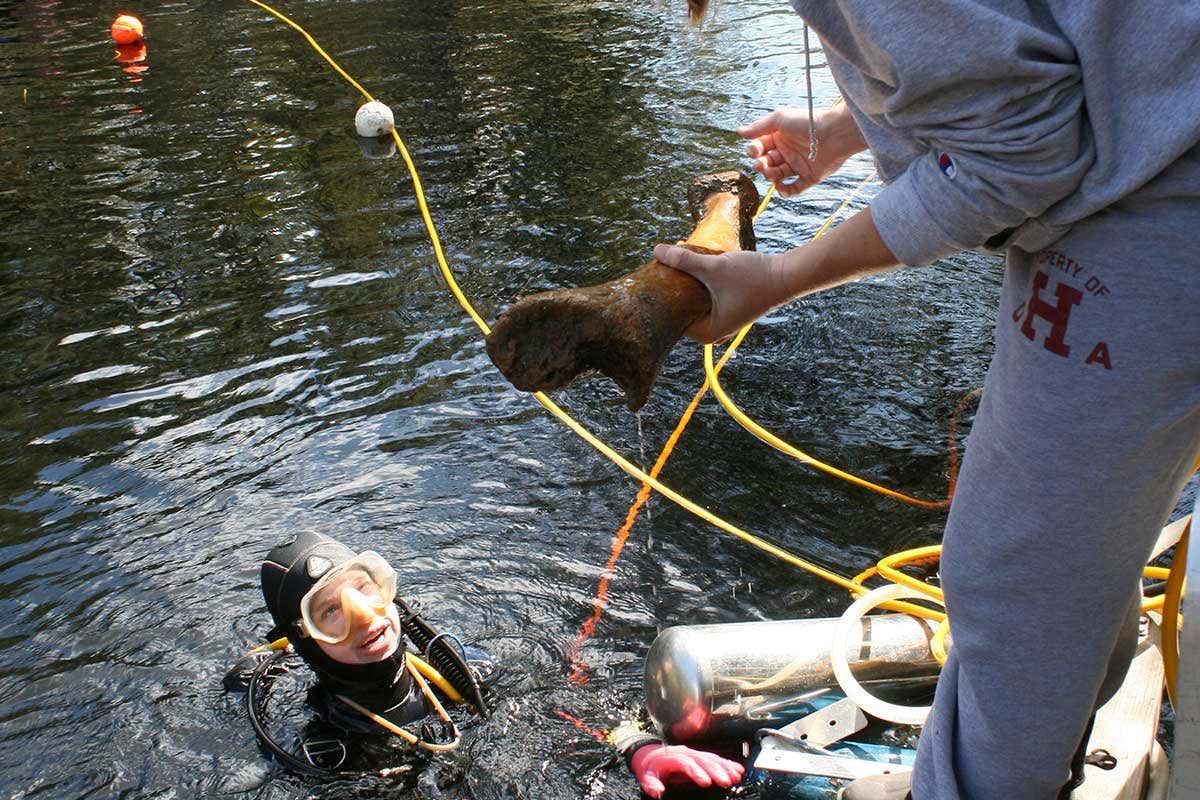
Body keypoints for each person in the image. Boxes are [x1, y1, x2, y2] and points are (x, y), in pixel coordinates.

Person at [645, 2, 1200, 799]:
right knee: (1061, 561)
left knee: (1007, 577)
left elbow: (1027, 150)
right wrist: (846, 125)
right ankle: (1063, 726)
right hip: (1163, 136)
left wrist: (776, 281)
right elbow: (1028, 39)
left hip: (1162, 194)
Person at [226, 531, 488, 775]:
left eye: (363, 588)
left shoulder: (468, 672)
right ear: (305, 640)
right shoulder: (322, 755)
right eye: (330, 611)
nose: (365, 616)